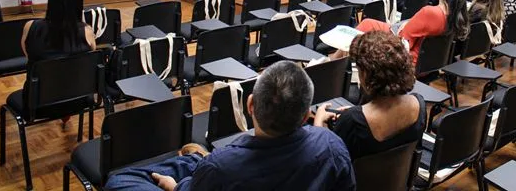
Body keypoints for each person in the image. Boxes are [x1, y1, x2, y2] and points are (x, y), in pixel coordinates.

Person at [105, 61, 355, 191]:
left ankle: (195, 161)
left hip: (209, 170)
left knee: (119, 181)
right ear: (304, 118)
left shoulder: (222, 166)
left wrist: (176, 186)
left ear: (249, 105)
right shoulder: (332, 145)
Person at [314, 31, 425, 161]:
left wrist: (319, 124)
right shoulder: (419, 103)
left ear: (366, 74)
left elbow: (325, 161)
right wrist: (356, 113)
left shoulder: (353, 121)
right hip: (394, 180)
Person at [337, 0, 469, 66]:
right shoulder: (459, 15)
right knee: (368, 23)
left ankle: (336, 64)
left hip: (410, 60)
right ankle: (337, 62)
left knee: (365, 26)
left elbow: (403, 41)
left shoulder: (431, 13)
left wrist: (404, 26)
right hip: (431, 62)